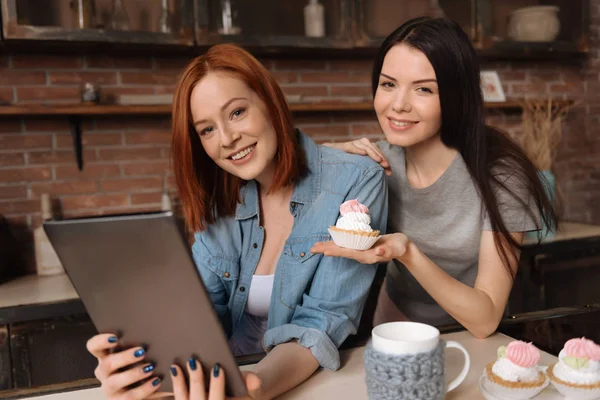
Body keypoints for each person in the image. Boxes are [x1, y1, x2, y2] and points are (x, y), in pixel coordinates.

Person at [85, 43, 387, 399]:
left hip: (295, 386)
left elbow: (321, 323)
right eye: (207, 130)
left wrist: (250, 391)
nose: (227, 139)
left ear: (270, 102)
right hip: (222, 382)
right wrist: (147, 368)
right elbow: (198, 317)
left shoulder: (356, 180)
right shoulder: (218, 208)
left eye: (238, 112)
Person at [312, 17, 557, 339]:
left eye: (423, 89)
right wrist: (327, 156)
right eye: (388, 84)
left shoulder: (501, 175)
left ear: (456, 96)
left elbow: (485, 319)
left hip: (471, 334)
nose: (398, 105)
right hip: (394, 325)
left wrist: (408, 252)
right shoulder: (376, 164)